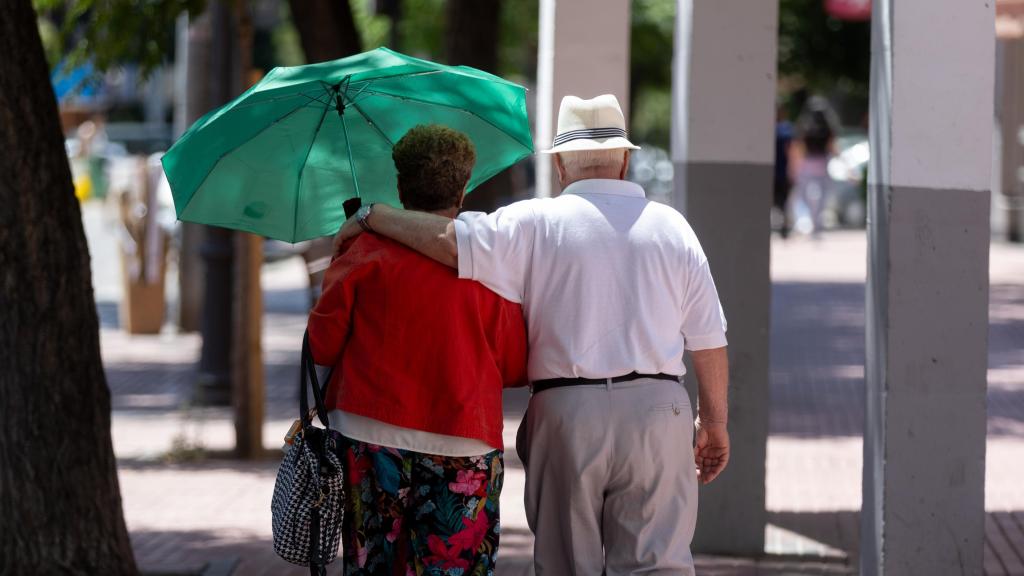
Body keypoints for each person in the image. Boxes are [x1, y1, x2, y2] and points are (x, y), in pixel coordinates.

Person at [334, 94, 730, 575]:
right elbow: (709, 338)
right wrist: (714, 421)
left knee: (567, 563)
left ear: (561, 165)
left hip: (567, 412)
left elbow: (447, 241)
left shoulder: (532, 221)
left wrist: (370, 216)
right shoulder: (674, 228)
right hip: (658, 410)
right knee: (659, 565)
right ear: (625, 161)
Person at [307, 124, 528, 575]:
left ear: (401, 187)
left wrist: (340, 259)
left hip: (369, 433)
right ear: (464, 188)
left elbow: (321, 343)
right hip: (463, 437)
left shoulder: (363, 252)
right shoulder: (489, 263)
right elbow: (514, 364)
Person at [792, 95, 839, 237]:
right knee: (823, 195)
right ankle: (816, 223)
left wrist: (796, 165)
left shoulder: (805, 125)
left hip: (807, 164)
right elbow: (832, 147)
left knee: (803, 195)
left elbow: (799, 148)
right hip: (822, 164)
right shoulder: (828, 127)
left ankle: (809, 220)